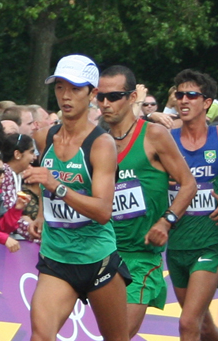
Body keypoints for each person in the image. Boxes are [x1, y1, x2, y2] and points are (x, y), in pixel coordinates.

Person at [23, 54, 131, 341]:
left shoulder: (101, 144)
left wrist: (57, 186)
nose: (65, 96)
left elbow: (103, 211)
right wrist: (41, 214)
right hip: (56, 258)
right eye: (59, 87)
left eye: (75, 89)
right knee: (40, 336)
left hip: (97, 259)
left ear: (92, 94)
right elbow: (44, 188)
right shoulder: (45, 137)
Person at [97, 65, 196, 338]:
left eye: (114, 96)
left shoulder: (153, 135)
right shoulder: (94, 141)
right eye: (100, 97)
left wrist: (166, 222)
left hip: (139, 257)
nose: (106, 103)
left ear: (131, 98)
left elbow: (188, 184)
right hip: (97, 253)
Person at [169, 69, 218, 341]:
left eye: (191, 95)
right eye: (179, 95)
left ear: (207, 102)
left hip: (210, 242)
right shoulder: (166, 139)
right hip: (176, 244)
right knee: (205, 328)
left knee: (187, 323)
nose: (183, 100)